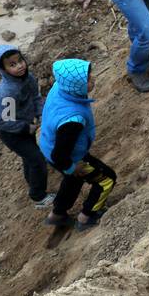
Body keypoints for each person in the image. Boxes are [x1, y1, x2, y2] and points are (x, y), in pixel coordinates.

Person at [37, 59, 117, 231]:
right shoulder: (73, 120)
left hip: (47, 145)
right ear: (76, 86)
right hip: (64, 154)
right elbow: (61, 155)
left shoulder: (59, 87)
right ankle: (87, 216)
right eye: (87, 79)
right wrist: (72, 167)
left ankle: (57, 214)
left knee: (73, 180)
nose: (93, 79)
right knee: (107, 179)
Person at [0, 45, 54, 208]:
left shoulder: (28, 78)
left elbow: (36, 97)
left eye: (20, 61)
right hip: (11, 133)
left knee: (30, 158)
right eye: (12, 65)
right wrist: (27, 128)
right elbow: (5, 121)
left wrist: (42, 114)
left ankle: (32, 180)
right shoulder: (7, 92)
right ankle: (38, 197)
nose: (19, 66)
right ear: (3, 69)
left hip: (26, 124)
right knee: (38, 159)